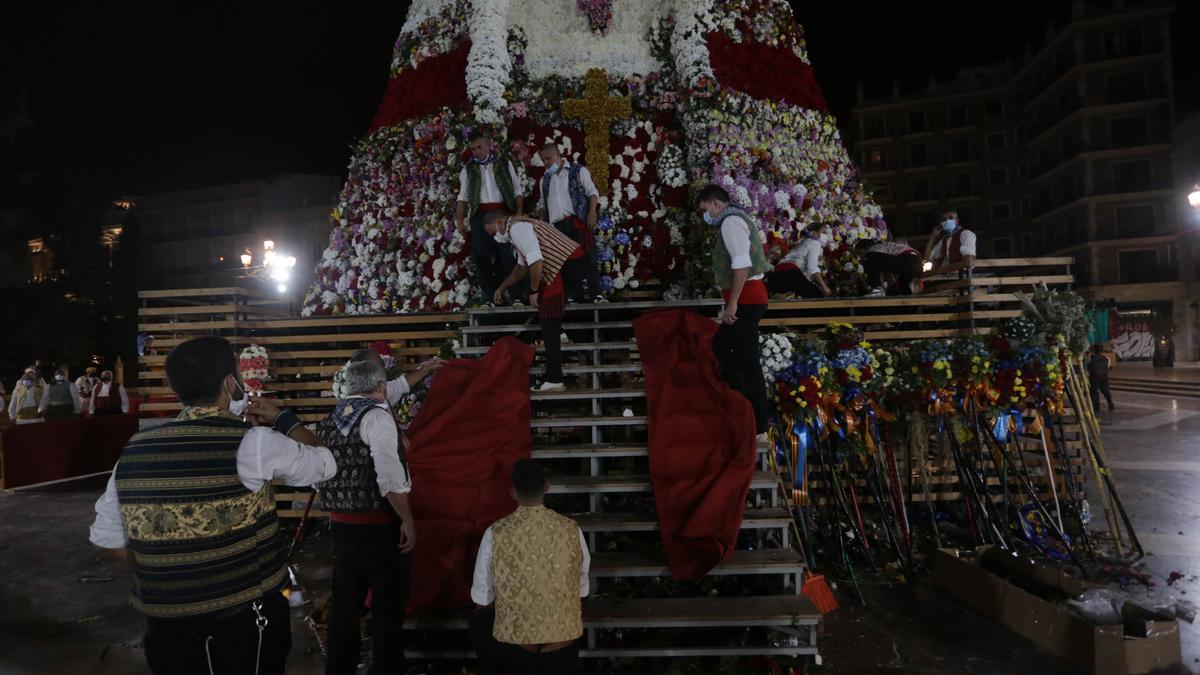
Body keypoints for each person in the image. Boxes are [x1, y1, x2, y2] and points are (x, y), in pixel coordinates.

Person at [88, 336, 337, 675]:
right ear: (230, 383)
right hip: (247, 621)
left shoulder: (135, 448)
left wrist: (173, 574)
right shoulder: (253, 442)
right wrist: (281, 418)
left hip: (166, 626)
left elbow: (106, 536)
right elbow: (326, 464)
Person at [316, 359, 416, 675]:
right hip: (378, 526)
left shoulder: (328, 420)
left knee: (345, 609)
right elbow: (388, 477)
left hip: (341, 527)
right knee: (387, 610)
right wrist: (408, 520)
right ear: (381, 388)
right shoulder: (376, 417)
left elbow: (318, 477)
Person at [469, 459, 589, 675]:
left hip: (516, 651)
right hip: (562, 650)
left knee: (479, 621)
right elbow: (582, 589)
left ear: (512, 492)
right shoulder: (572, 530)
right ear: (546, 487)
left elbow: (481, 597)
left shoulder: (495, 533)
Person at [697, 184, 771, 435]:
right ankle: (745, 407)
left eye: (705, 209)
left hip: (746, 300)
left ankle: (758, 423)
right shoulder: (738, 217)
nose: (705, 215)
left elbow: (741, 265)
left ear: (716, 204)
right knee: (724, 350)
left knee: (747, 361)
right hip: (748, 299)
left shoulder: (730, 222)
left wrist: (733, 303)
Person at [486, 211, 587, 393]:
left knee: (548, 322)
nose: (495, 239)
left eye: (493, 233)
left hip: (565, 265)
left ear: (500, 221)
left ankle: (555, 379)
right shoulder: (515, 230)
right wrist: (502, 287)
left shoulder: (517, 229)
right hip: (566, 265)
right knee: (548, 321)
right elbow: (521, 268)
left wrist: (534, 291)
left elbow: (536, 262)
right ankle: (559, 336)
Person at [455, 130, 526, 305]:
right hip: (480, 216)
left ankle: (516, 296)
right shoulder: (468, 169)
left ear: (487, 144)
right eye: (473, 149)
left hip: (502, 213)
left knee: (508, 256)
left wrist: (518, 213)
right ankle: (489, 298)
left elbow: (517, 190)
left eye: (479, 147)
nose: (477, 151)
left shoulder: (504, 163)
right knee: (481, 257)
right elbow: (463, 198)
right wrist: (459, 220)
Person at [537, 143, 604, 302]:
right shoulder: (545, 179)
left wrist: (592, 213)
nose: (545, 163)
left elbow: (592, 192)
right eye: (543, 160)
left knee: (589, 258)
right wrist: (542, 223)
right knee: (567, 264)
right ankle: (574, 295)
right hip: (558, 227)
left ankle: (597, 294)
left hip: (577, 221)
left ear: (558, 156)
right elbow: (542, 204)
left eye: (548, 158)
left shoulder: (578, 171)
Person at [765, 222, 832, 298]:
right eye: (823, 232)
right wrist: (824, 287)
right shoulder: (815, 243)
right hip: (791, 273)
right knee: (817, 296)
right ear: (814, 233)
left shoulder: (800, 242)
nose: (825, 235)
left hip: (776, 273)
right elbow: (812, 268)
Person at [857, 238, 923, 297]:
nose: (860, 257)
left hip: (909, 260)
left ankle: (877, 288)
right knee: (894, 292)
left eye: (860, 253)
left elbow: (872, 260)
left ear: (866, 247)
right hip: (916, 265)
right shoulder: (884, 253)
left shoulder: (874, 248)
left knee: (869, 256)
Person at [1088, 345, 1115, 413]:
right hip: (1104, 376)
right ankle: (1110, 403)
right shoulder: (1106, 358)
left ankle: (1097, 407)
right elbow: (1108, 367)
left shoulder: (1091, 359)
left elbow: (1088, 368)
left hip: (1094, 377)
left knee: (1094, 392)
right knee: (1106, 390)